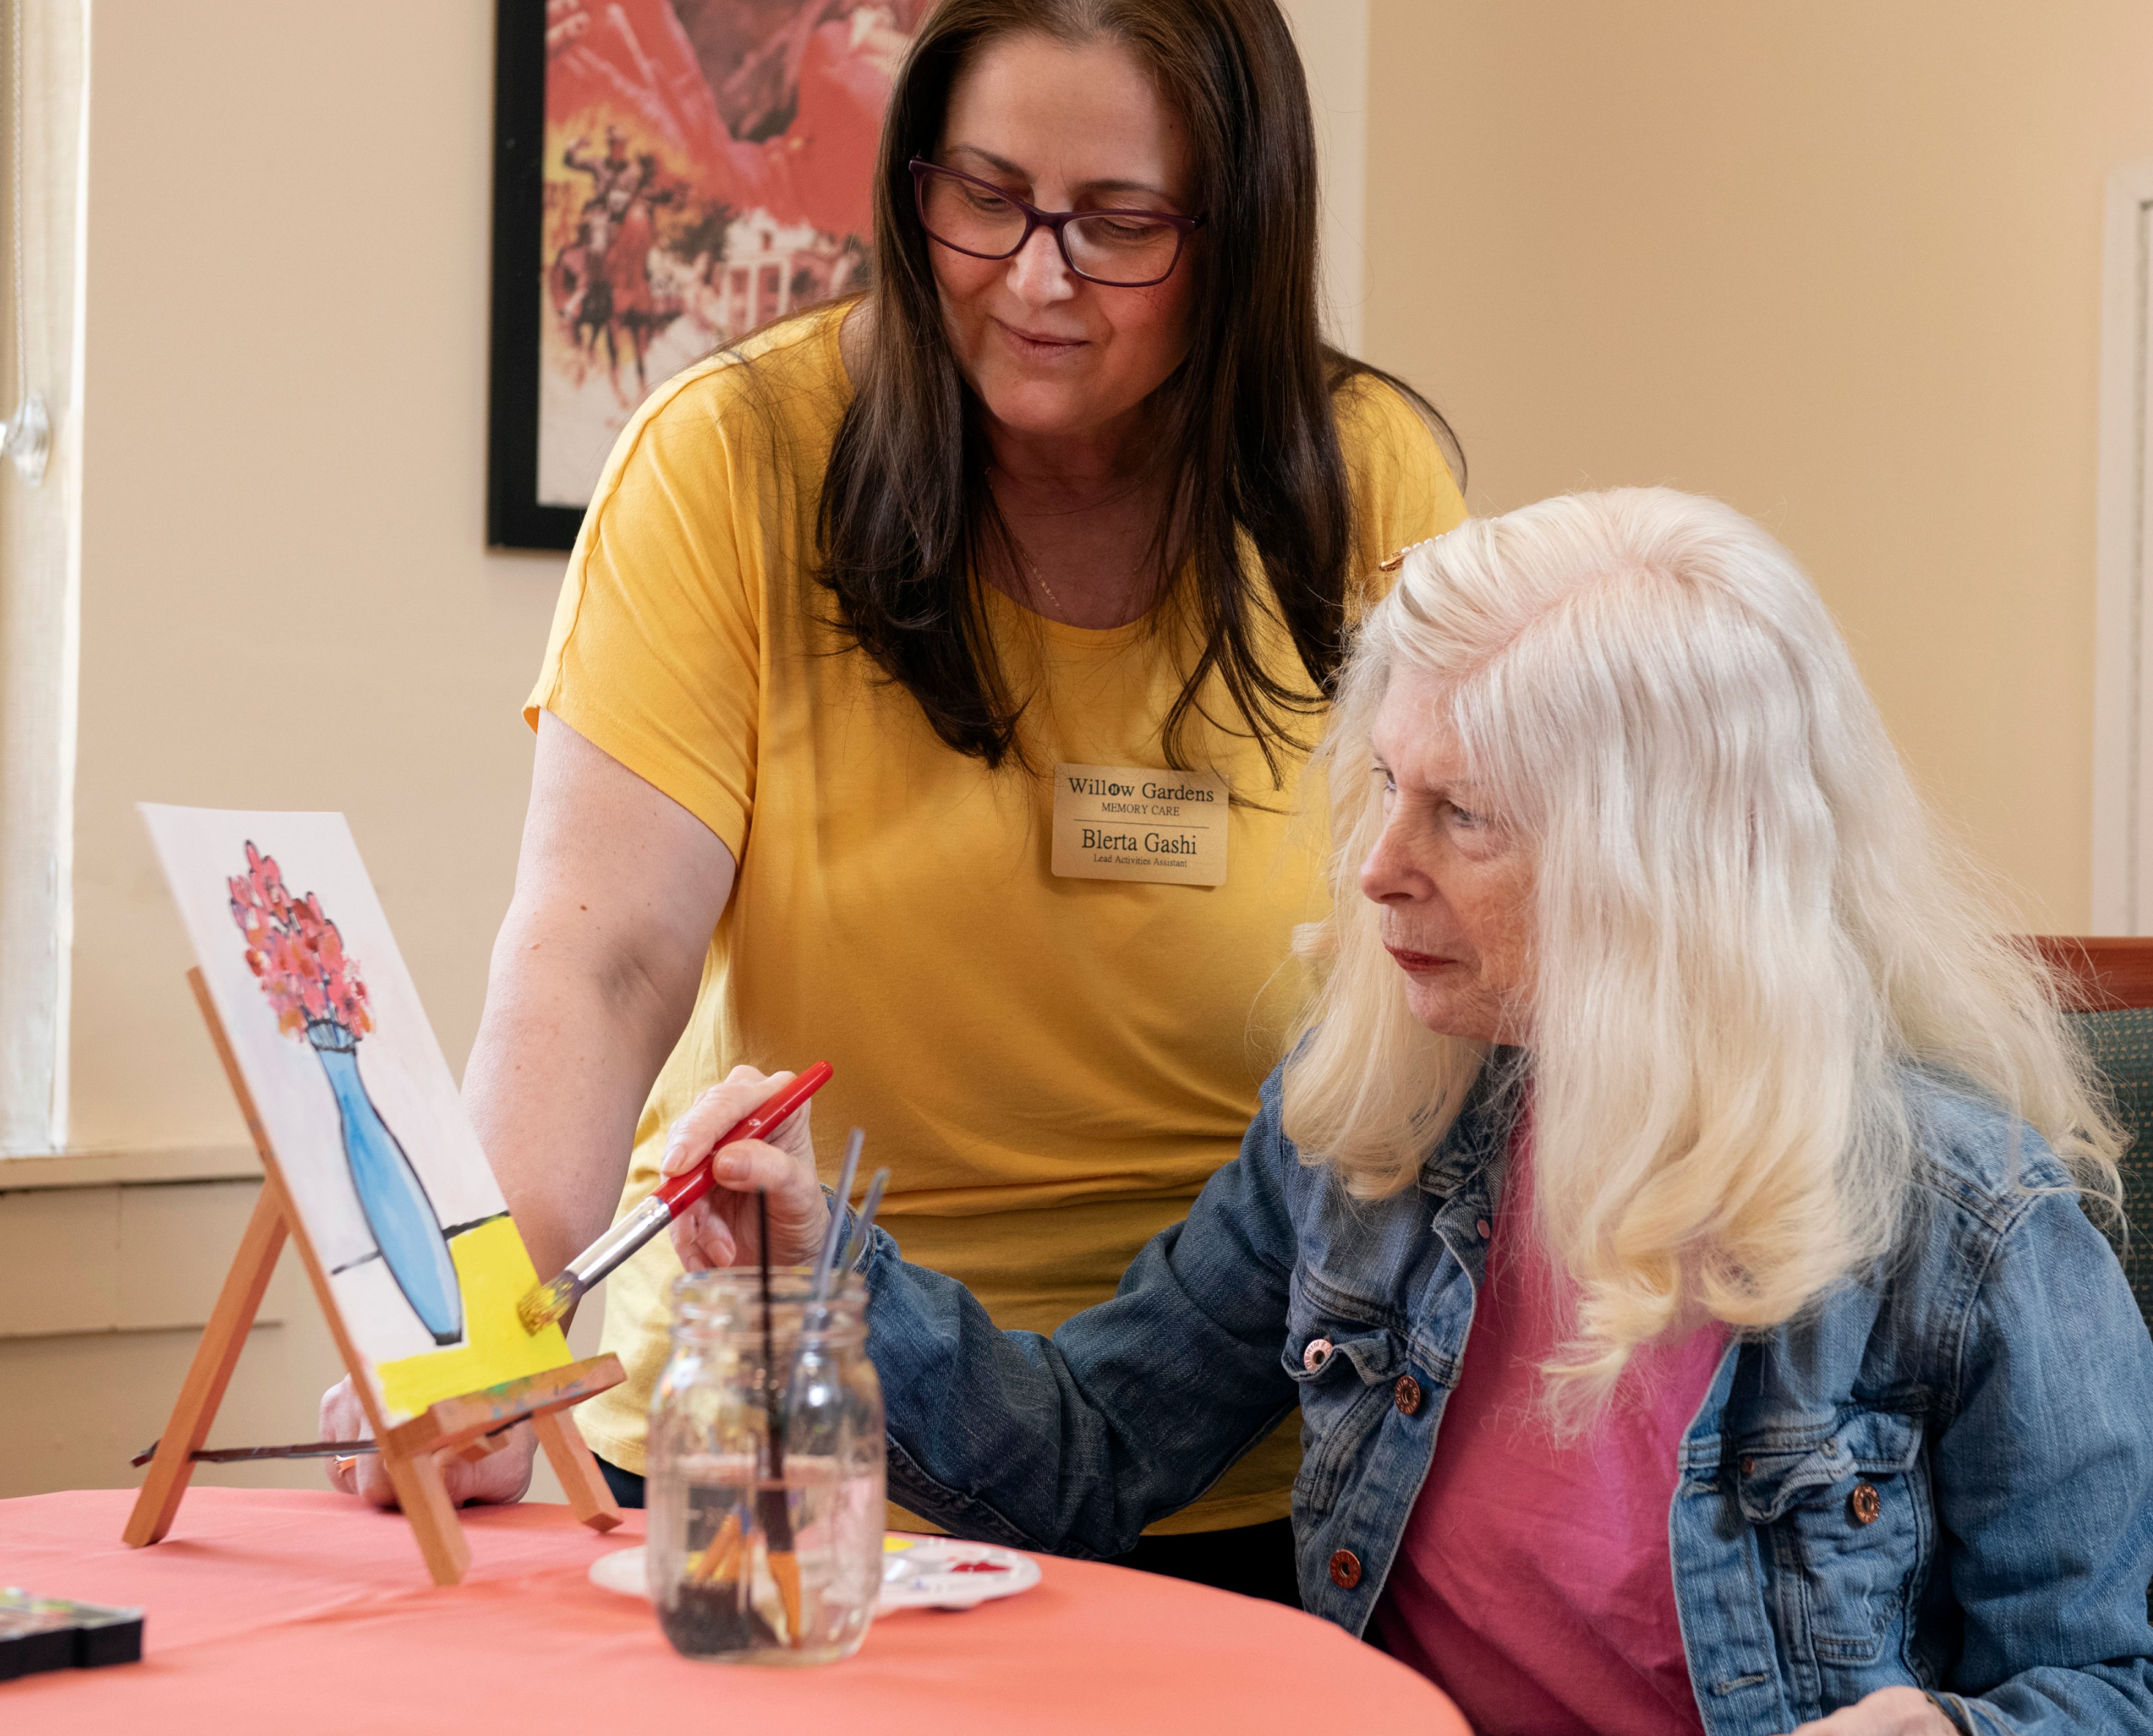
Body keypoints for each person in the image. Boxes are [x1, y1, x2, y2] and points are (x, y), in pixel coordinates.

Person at [666, 489, 2153, 1734]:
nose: (1380, 868)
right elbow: (1087, 1455)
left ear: (1660, 875)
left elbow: (2118, 1690)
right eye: (1388, 785)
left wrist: (1947, 1732)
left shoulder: (1971, 1227)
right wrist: (820, 1273)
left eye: (1462, 816)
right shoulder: (1377, 1124)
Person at [320, 0, 1464, 1604]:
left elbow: (1470, 946)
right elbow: (600, 958)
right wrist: (490, 1331)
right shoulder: (729, 461)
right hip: (782, 1405)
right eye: (984, 198)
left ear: (1241, 230)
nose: (1036, 277)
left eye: (1120, 226)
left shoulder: (1365, 474)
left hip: (1242, 1432)